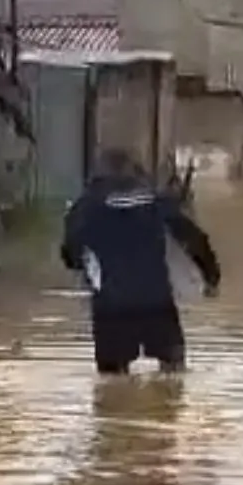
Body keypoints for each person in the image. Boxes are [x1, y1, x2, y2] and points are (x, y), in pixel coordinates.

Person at [60, 148, 221, 375]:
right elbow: (193, 239)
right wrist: (211, 276)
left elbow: (70, 253)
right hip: (156, 302)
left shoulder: (86, 206)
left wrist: (85, 263)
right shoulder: (156, 202)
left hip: (111, 307)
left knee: (112, 382)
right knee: (174, 373)